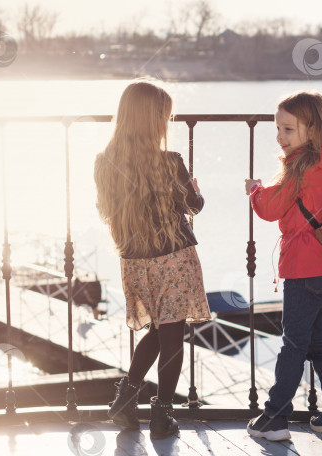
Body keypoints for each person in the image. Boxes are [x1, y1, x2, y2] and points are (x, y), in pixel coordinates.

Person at [93, 80, 211, 440]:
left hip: (135, 261)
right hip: (173, 259)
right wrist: (195, 189)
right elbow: (194, 206)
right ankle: (162, 416)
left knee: (158, 331)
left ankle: (125, 399)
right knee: (172, 334)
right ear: (153, 119)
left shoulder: (104, 162)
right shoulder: (170, 162)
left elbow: (105, 209)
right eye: (164, 116)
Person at [244, 91, 322, 441]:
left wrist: (254, 190)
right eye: (278, 129)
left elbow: (270, 208)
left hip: (302, 266)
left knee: (294, 343)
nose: (280, 137)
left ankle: (276, 418)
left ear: (311, 130)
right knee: (316, 340)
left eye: (288, 130)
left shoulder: (300, 166)